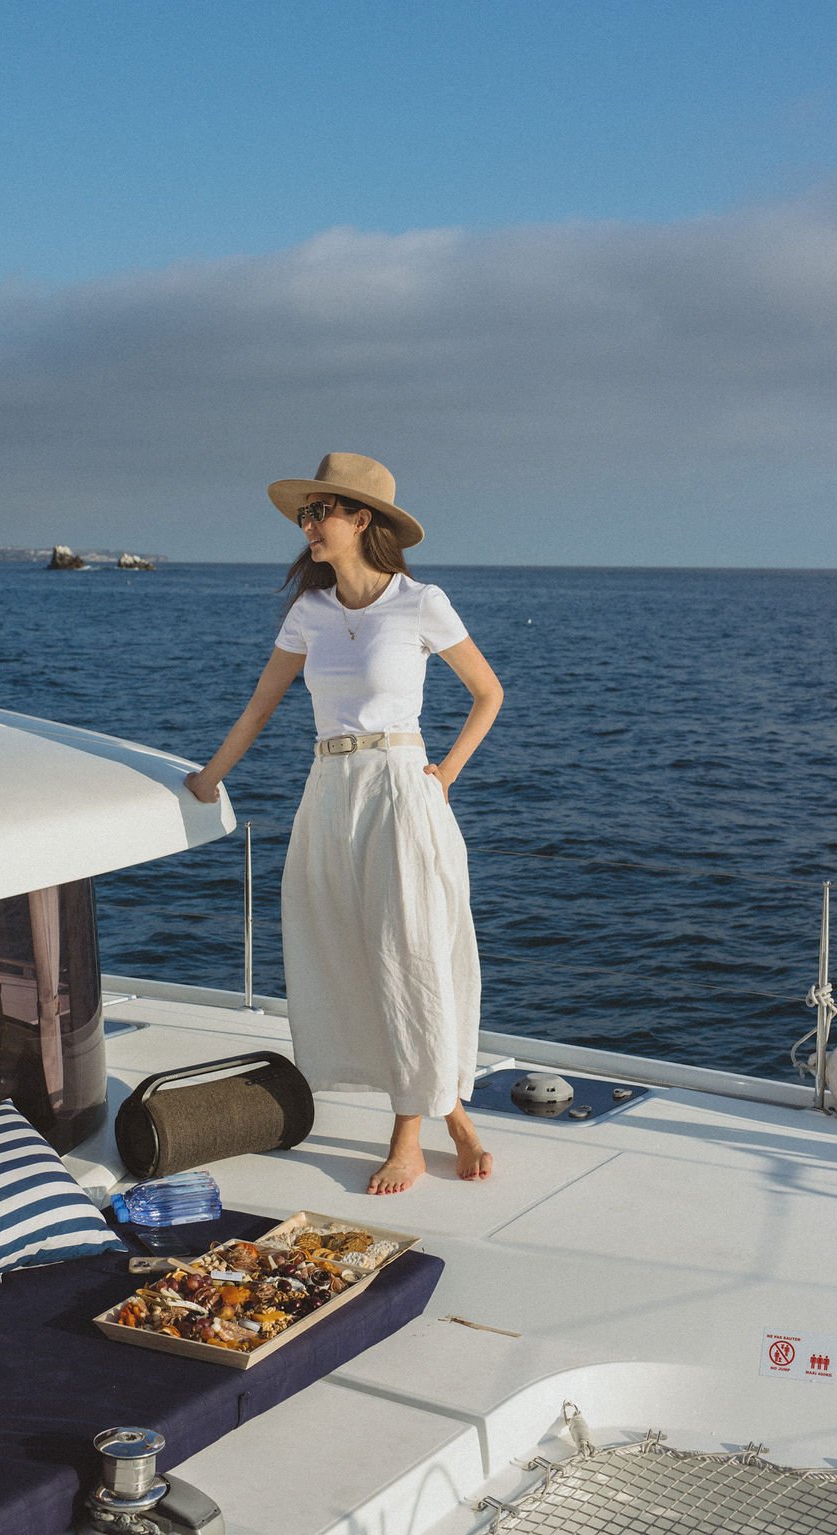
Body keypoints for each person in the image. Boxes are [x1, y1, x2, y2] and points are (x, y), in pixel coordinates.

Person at [186, 453, 503, 1195]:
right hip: (330, 789)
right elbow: (262, 704)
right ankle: (449, 1109)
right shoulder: (310, 613)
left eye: (319, 512)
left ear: (362, 520)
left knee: (412, 953)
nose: (307, 526)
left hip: (401, 787)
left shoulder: (421, 603)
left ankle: (409, 1138)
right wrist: (208, 777)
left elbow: (487, 693)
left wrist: (445, 774)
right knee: (351, 955)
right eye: (305, 514)